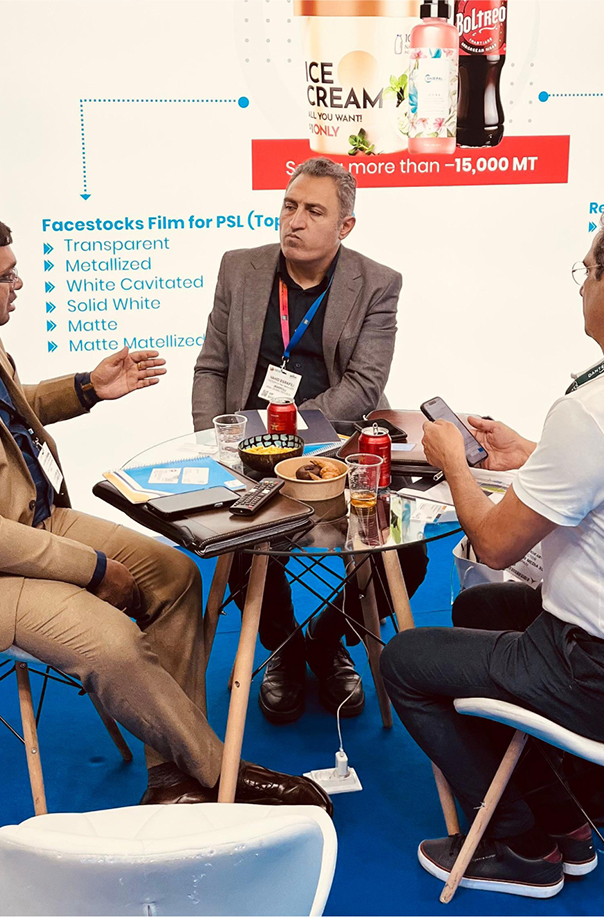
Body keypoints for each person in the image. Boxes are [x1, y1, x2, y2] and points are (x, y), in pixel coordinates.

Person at [0, 203, 331, 812]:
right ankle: (217, 775)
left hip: (23, 520)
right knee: (113, 640)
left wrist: (87, 389)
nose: (20, 284)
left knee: (176, 576)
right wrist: (95, 570)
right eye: (6, 276)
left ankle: (172, 779)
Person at [381, 201, 604, 898]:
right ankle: (568, 820)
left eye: (585, 269)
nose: (580, 284)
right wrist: (534, 454)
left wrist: (454, 462)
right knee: (481, 609)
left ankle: (520, 845)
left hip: (601, 673)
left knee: (403, 661)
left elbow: (492, 544)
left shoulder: (594, 412)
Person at [192, 157, 428, 725]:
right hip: (249, 454)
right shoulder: (240, 268)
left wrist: (291, 435)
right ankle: (283, 647)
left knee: (409, 550)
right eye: (289, 205)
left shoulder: (378, 283)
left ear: (345, 226)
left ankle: (327, 639)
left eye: (313, 211)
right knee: (240, 538)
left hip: (336, 453)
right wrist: (212, 442)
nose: (294, 220)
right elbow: (212, 366)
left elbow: (363, 385)